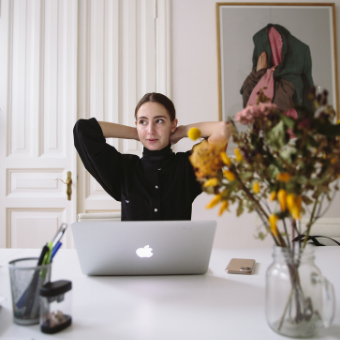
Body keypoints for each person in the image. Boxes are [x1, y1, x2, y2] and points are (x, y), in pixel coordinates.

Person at [73, 92, 231, 221]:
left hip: (176, 259)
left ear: (173, 124)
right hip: (132, 260)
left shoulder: (189, 166)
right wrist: (137, 134)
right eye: (143, 122)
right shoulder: (123, 169)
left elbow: (222, 129)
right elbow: (83, 130)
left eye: (159, 121)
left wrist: (182, 131)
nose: (151, 130)